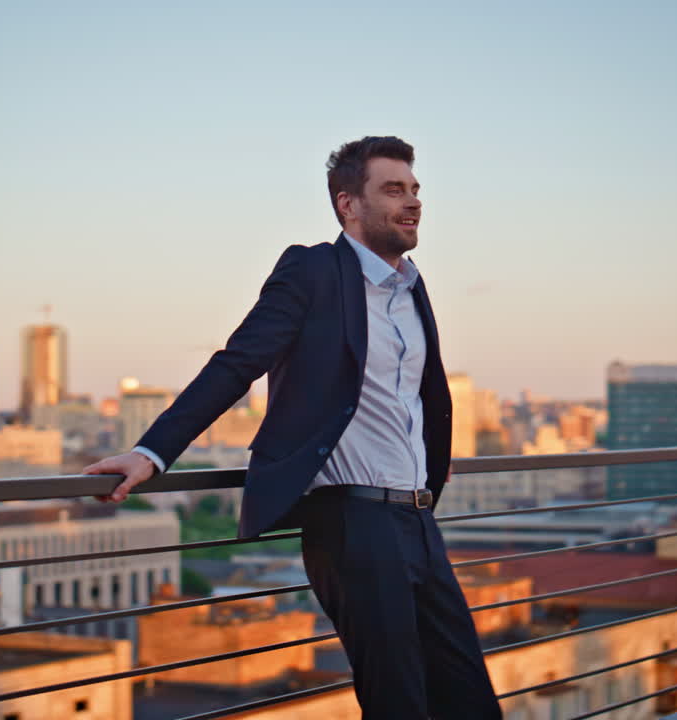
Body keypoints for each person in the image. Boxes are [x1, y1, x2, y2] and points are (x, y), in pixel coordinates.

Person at [83, 136, 502, 718]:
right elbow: (237, 364)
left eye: (414, 189)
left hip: (419, 517)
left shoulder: (413, 286)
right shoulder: (313, 270)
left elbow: (414, 394)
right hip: (353, 522)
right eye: (392, 189)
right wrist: (152, 452)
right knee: (399, 701)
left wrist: (431, 455)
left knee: (471, 699)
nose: (412, 202)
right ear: (348, 204)